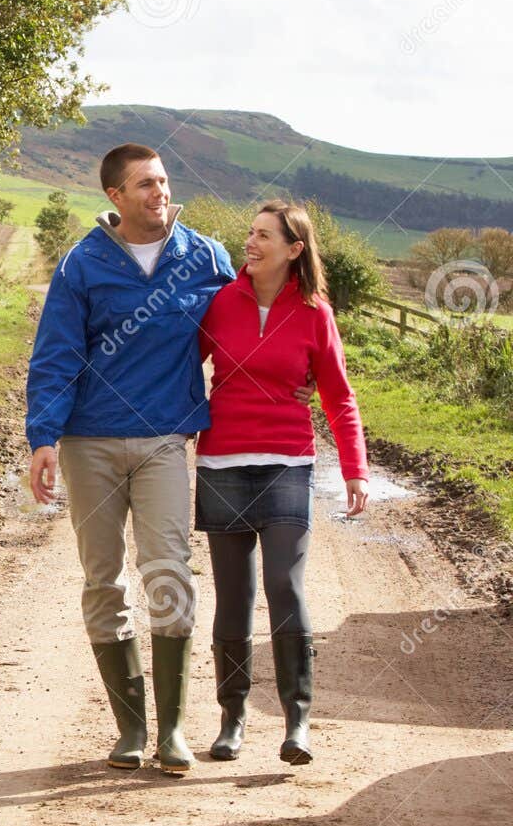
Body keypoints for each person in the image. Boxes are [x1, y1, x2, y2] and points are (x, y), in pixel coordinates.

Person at [25, 144, 237, 777]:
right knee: (102, 578)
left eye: (164, 181)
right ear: (115, 196)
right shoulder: (82, 266)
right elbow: (56, 353)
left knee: (169, 570)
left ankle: (172, 731)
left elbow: (249, 322)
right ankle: (131, 729)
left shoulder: (204, 256)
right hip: (89, 443)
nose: (159, 192)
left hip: (167, 439)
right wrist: (43, 437)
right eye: (145, 184)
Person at [197, 200, 368, 765]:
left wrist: (354, 470)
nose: (251, 242)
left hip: (287, 464)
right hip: (221, 463)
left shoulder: (315, 312)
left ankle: (297, 722)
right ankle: (234, 718)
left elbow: (339, 394)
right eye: (250, 232)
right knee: (234, 597)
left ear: (294, 250)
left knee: (284, 585)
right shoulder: (221, 302)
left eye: (264, 235)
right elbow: (175, 368)